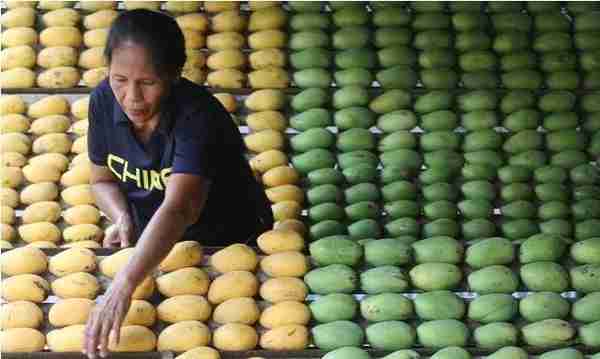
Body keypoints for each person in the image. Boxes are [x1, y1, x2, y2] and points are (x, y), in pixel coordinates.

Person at [83, 9, 273, 358]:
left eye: (148, 83)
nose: (132, 98)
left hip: (224, 247)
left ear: (173, 75)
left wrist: (123, 284)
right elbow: (101, 179)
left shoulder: (198, 117)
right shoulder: (102, 102)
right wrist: (122, 217)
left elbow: (181, 207)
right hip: (155, 248)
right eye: (119, 79)